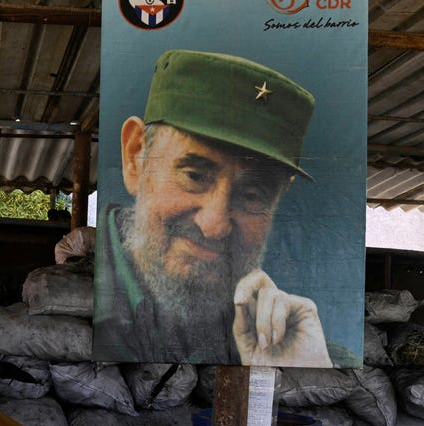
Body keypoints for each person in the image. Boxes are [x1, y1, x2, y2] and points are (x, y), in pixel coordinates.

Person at [95, 49, 335, 368]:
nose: (215, 225)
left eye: (251, 195)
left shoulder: (297, 343)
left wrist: (294, 372)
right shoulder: (65, 306)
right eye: (194, 176)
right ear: (135, 157)